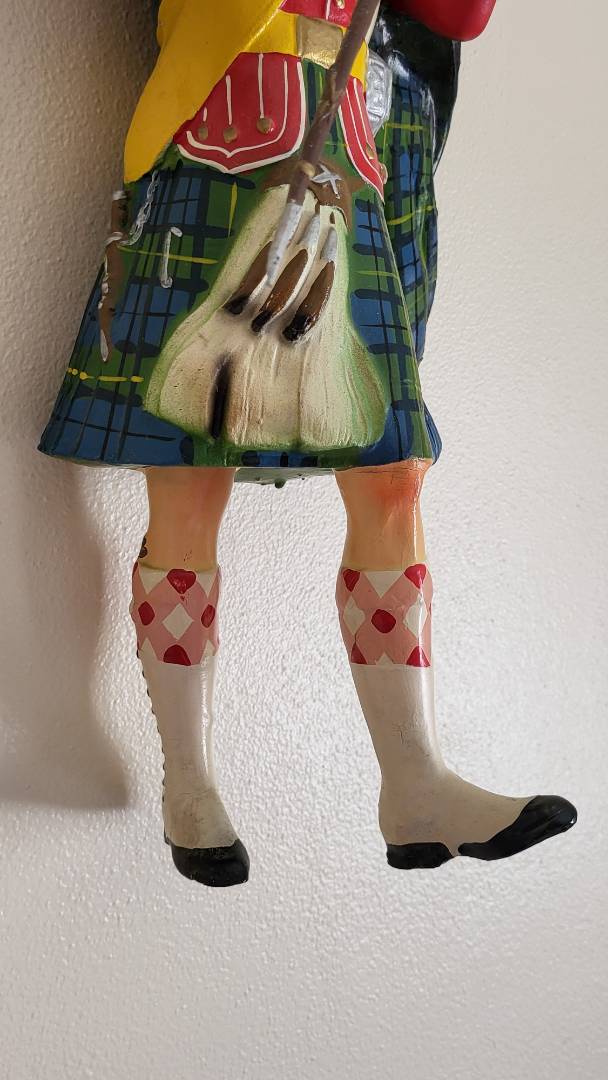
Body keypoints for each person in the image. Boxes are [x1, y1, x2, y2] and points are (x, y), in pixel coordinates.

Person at [38, 0, 576, 886]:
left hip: (346, 147)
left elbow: (460, 15)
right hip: (224, 126)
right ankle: (189, 783)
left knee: (394, 473)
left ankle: (416, 783)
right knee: (189, 466)